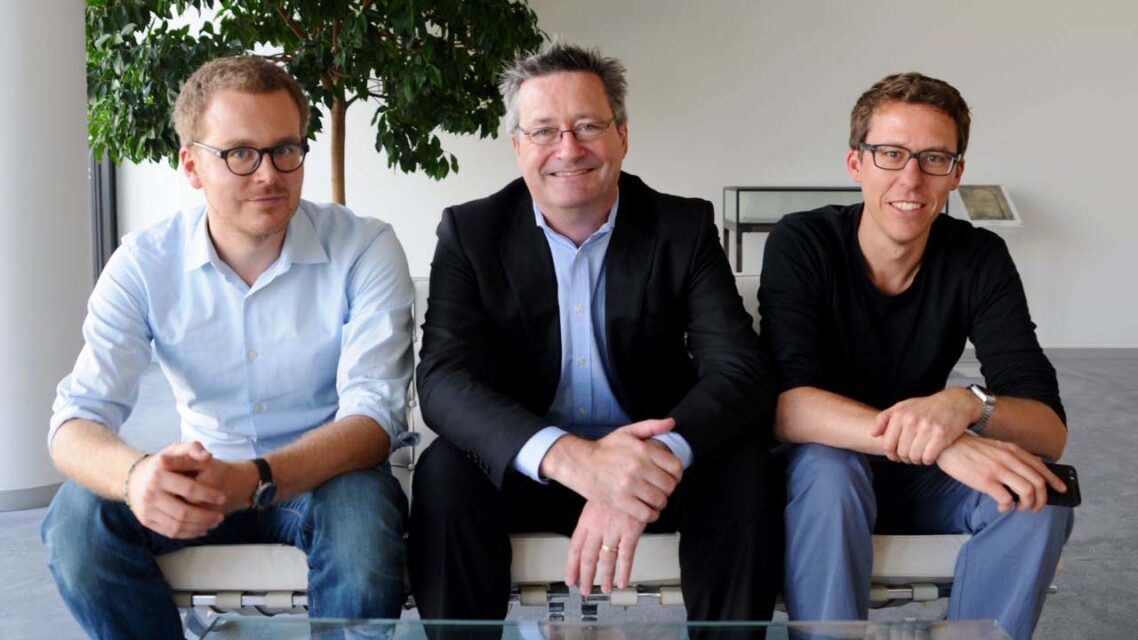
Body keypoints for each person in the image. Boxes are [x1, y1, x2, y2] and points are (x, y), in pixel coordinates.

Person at [41, 55, 414, 639]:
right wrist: (137, 475)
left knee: (362, 513)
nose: (269, 174)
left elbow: (374, 419)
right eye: (240, 153)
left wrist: (257, 477)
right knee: (75, 520)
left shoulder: (363, 248)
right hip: (206, 479)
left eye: (285, 149)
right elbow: (75, 422)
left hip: (326, 481)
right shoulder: (145, 263)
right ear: (191, 166)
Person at [408, 42, 782, 623]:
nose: (568, 149)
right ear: (516, 147)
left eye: (588, 126)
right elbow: (442, 381)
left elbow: (739, 371)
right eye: (544, 132)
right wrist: (572, 459)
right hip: (530, 466)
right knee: (443, 474)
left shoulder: (681, 227)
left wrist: (646, 464)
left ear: (622, 136)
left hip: (653, 462)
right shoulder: (470, 232)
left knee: (743, 468)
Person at [760, 72, 1073, 639]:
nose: (911, 178)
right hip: (816, 474)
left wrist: (964, 406)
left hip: (915, 475)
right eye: (890, 154)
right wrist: (946, 444)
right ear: (856, 164)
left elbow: (1048, 430)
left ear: (956, 173)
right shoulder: (803, 241)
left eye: (933, 158)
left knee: (1038, 493)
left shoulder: (978, 257)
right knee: (832, 470)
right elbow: (789, 410)